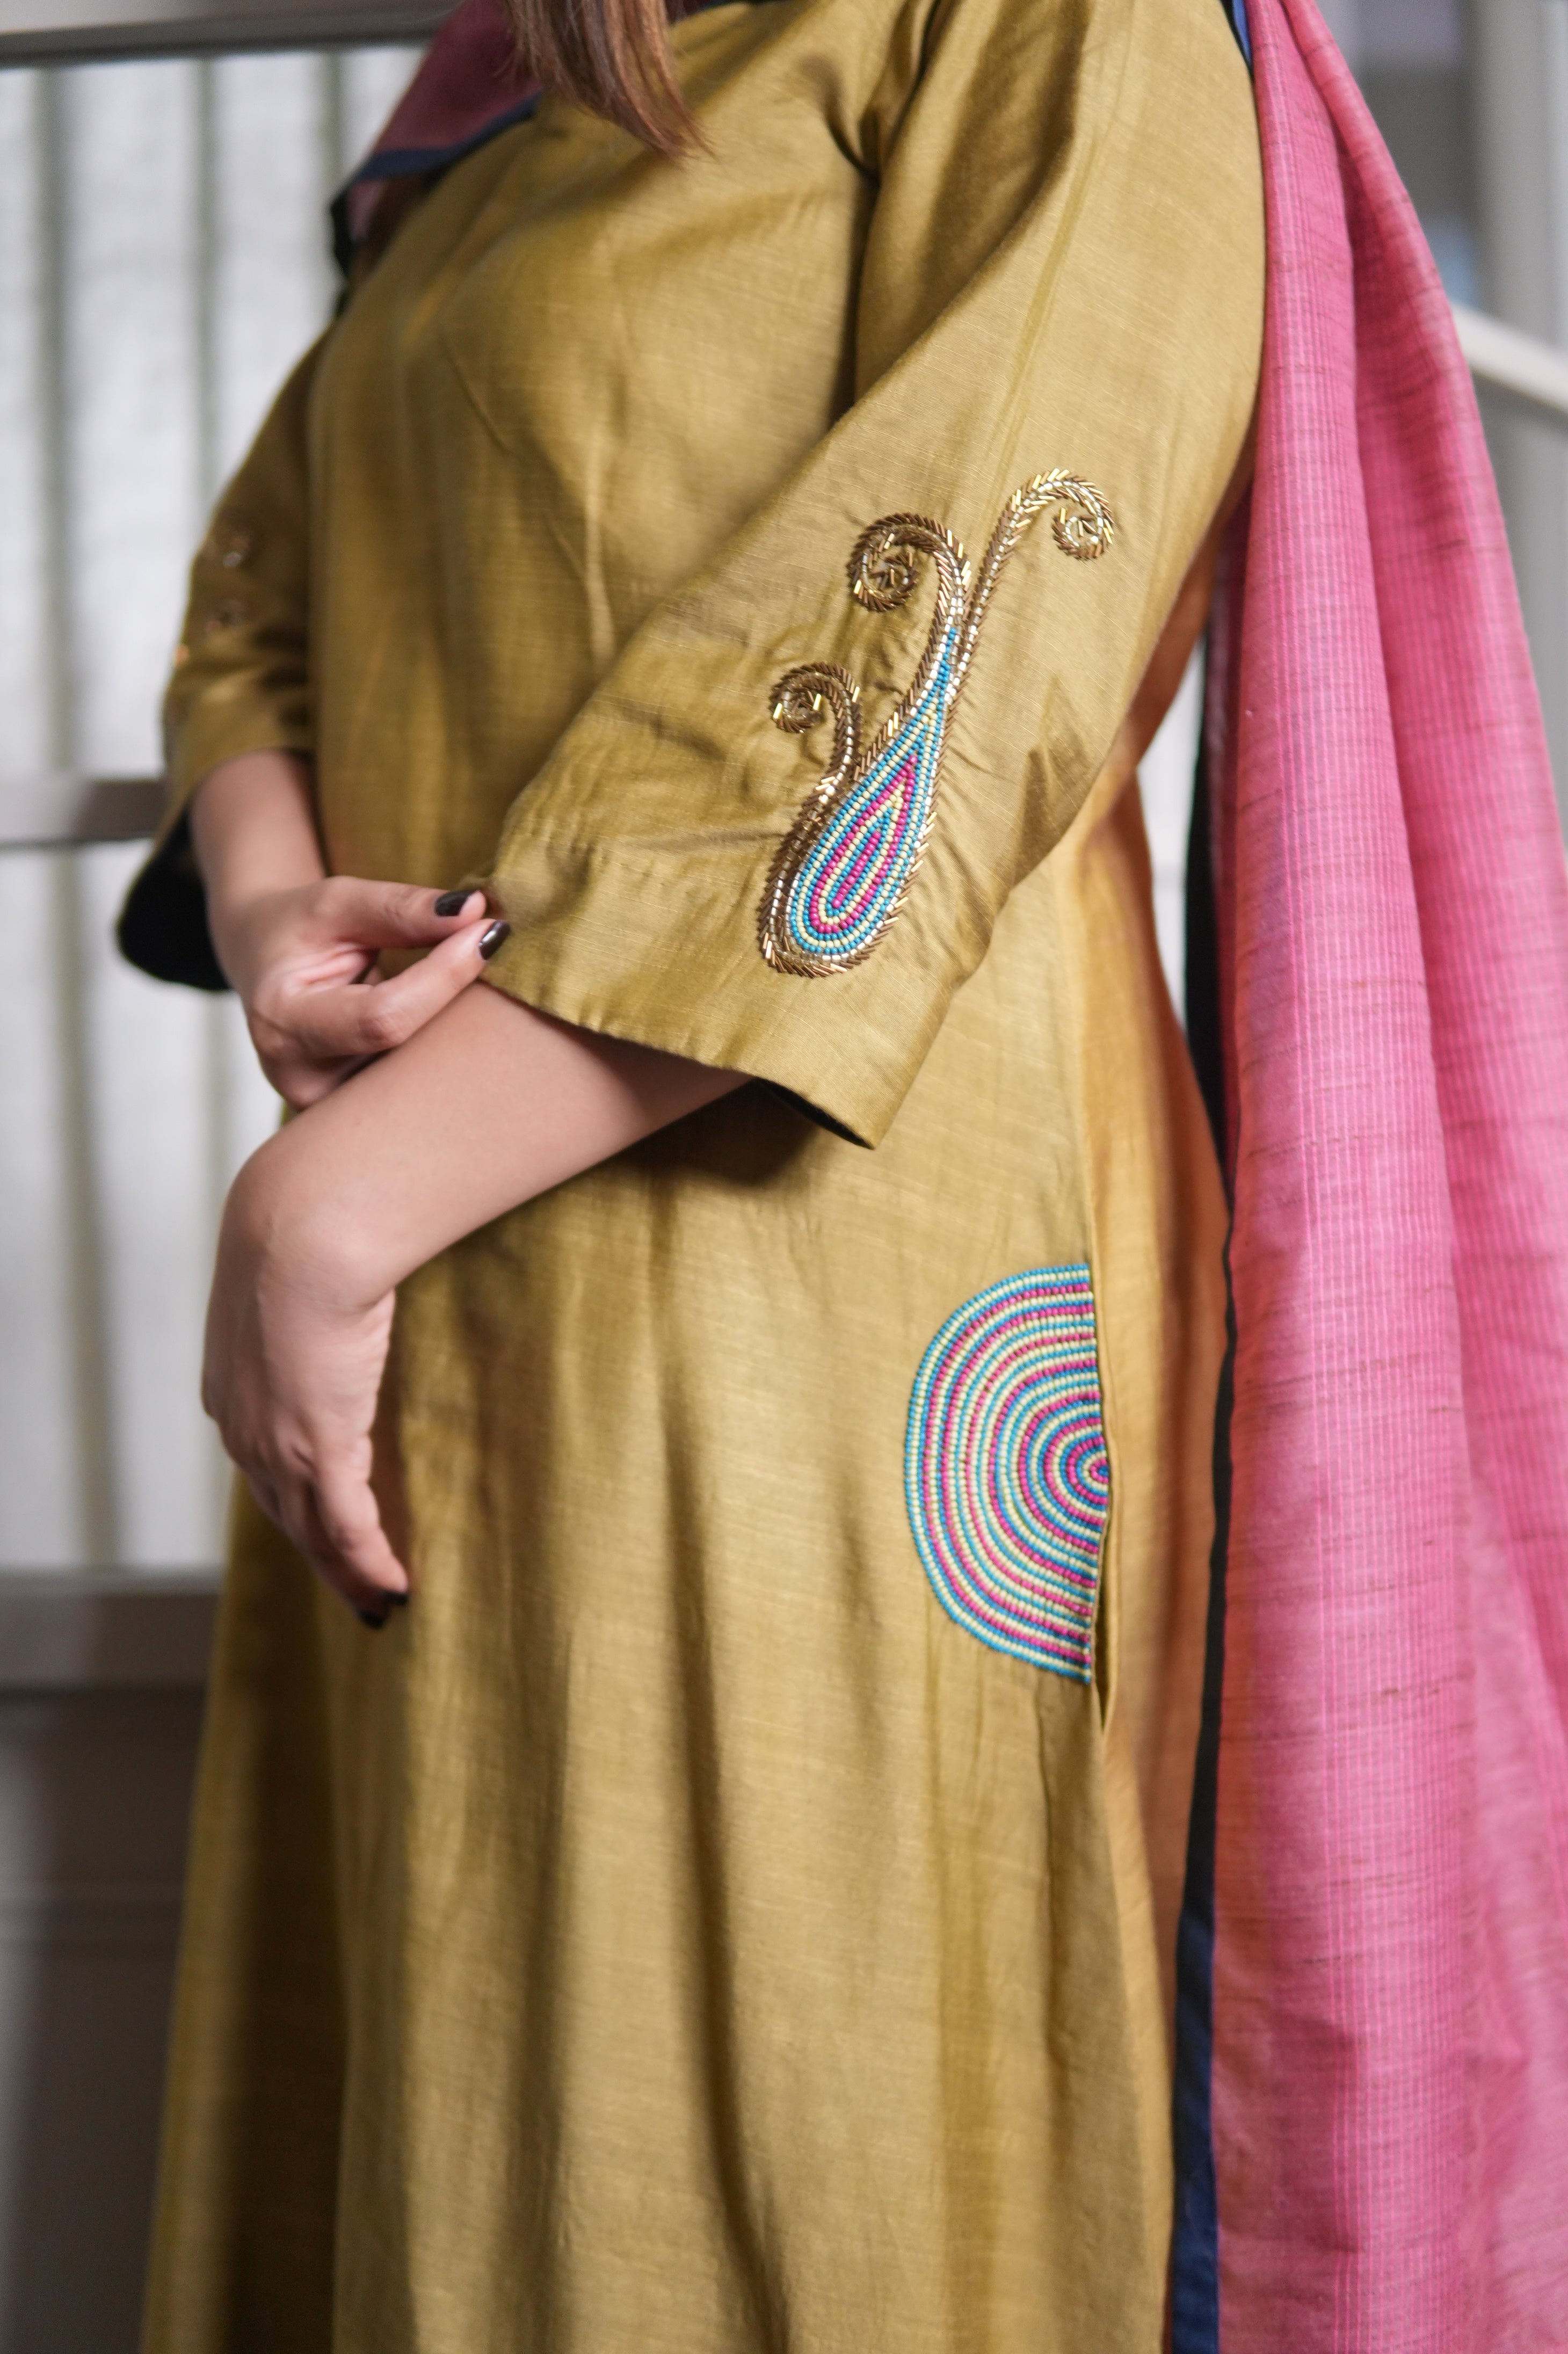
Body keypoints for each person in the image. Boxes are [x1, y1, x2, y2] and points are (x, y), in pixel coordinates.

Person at [118, 0, 1264, 2341]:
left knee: (770, 2141)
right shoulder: (507, 101)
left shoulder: (1052, 25)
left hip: (811, 1268)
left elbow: (979, 601)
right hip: (428, 1303)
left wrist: (329, 1204)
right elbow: (259, 613)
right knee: (452, 2129)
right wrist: (270, 918)